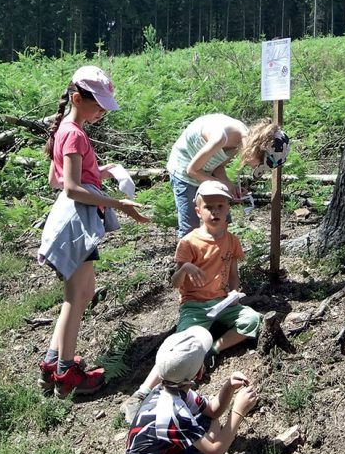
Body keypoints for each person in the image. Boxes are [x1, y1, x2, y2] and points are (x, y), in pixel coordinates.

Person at [37, 65, 150, 398]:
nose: (102, 111)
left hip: (80, 219)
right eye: (97, 104)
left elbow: (55, 178)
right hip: (77, 221)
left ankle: (53, 364)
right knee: (77, 297)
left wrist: (103, 171)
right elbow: (71, 188)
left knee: (81, 294)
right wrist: (118, 204)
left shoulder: (68, 130)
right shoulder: (73, 133)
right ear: (77, 98)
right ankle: (67, 374)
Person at [119, 181, 261, 423]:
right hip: (194, 305)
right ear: (198, 211)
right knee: (180, 345)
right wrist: (184, 268)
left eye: (220, 206)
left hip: (223, 302)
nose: (215, 212)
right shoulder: (189, 242)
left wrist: (234, 294)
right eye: (208, 207)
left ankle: (212, 350)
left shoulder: (232, 240)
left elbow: (234, 275)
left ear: (228, 209)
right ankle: (141, 393)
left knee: (253, 320)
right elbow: (175, 283)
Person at [123, 326, 258, 454]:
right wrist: (238, 411)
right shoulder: (174, 410)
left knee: (210, 421)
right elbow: (215, 449)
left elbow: (212, 411)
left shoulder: (169, 389)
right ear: (199, 373)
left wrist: (228, 387)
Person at [166, 113, 281, 238]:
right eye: (260, 164)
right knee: (190, 229)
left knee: (222, 222)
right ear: (256, 151)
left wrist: (230, 187)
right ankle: (188, 257)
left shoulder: (243, 140)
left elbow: (218, 167)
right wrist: (222, 186)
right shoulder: (220, 137)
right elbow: (192, 171)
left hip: (205, 172)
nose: (256, 168)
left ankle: (217, 256)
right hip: (184, 173)